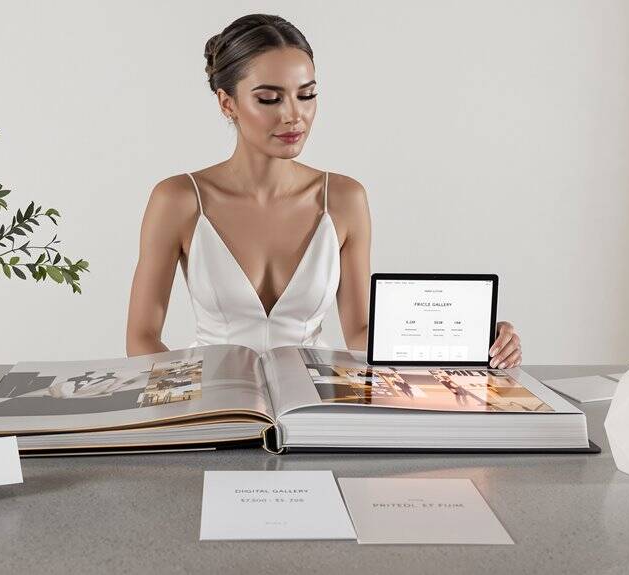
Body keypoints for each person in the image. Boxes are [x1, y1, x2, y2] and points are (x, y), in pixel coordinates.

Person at [125, 14, 522, 368]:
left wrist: (476, 340)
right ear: (227, 103)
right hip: (216, 404)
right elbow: (141, 337)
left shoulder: (345, 199)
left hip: (314, 403)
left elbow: (361, 332)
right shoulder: (178, 199)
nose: (293, 114)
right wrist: (187, 397)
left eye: (307, 94)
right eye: (269, 98)